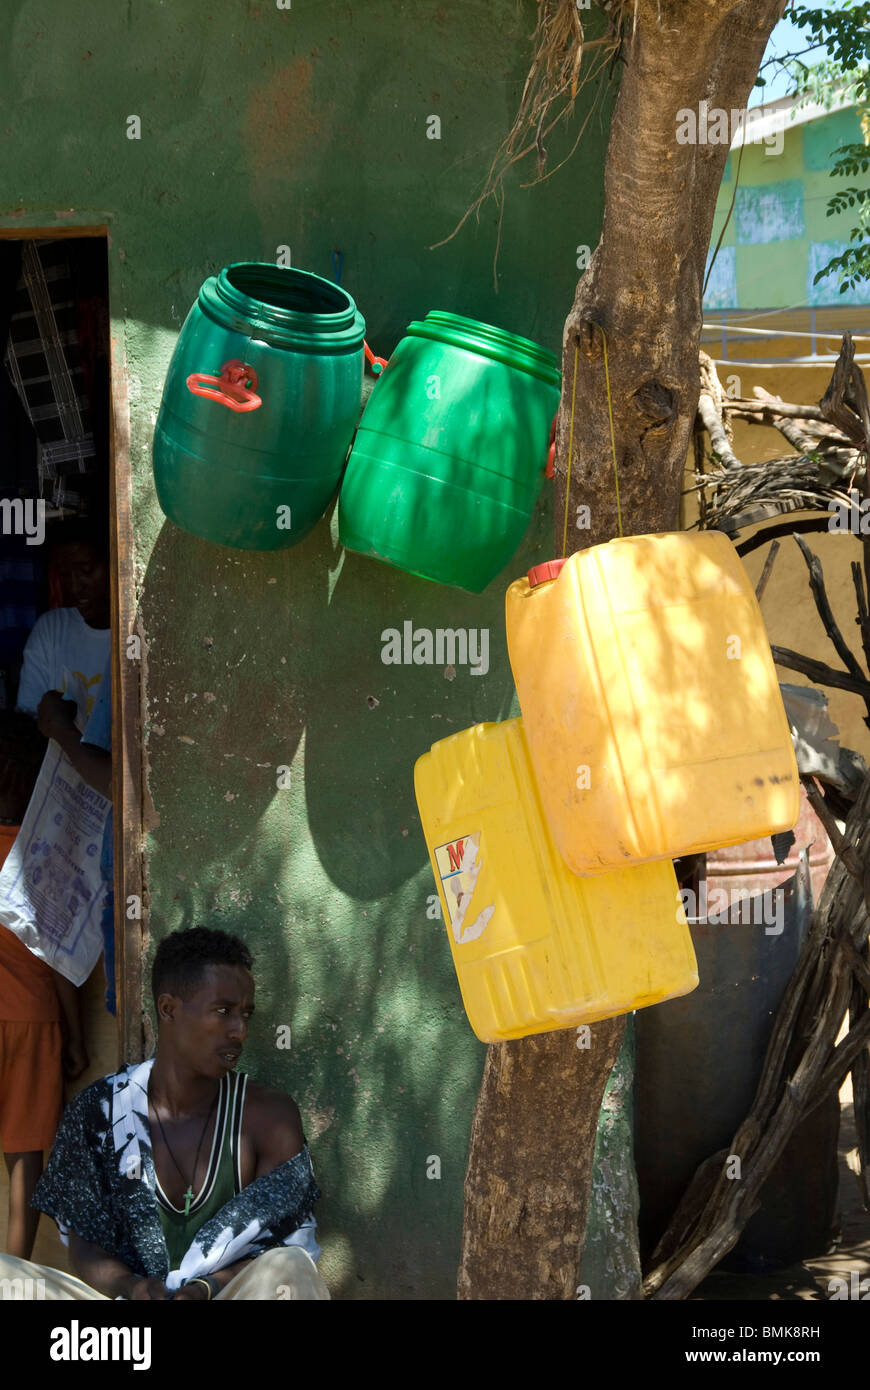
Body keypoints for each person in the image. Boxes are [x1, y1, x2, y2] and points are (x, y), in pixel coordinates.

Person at [0, 926, 329, 1300]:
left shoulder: (268, 1117)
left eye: (246, 1014)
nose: (240, 1031)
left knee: (290, 1269)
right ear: (168, 1008)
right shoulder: (101, 1111)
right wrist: (133, 1287)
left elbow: (282, 1243)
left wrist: (205, 1287)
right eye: (223, 1011)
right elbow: (86, 1244)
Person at [0, 520, 112, 1259]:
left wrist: (62, 737)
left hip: (88, 826)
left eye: (87, 567)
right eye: (65, 570)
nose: (75, 582)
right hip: (34, 1018)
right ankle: (15, 1265)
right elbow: (44, 947)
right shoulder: (51, 632)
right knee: (24, 1153)